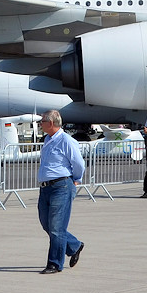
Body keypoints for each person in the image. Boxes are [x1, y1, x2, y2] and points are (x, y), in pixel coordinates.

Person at [36, 109, 85, 274]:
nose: (40, 124)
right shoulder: (48, 139)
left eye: (42, 121)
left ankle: (55, 263)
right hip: (46, 187)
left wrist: (76, 178)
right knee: (47, 223)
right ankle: (74, 245)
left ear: (50, 123)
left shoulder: (66, 140)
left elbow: (78, 162)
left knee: (56, 226)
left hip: (61, 186)